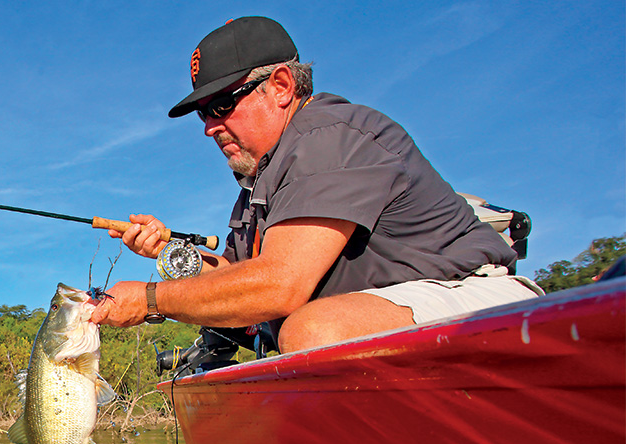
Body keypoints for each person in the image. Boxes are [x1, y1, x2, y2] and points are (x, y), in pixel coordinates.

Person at [90, 16, 543, 353]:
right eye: (203, 113)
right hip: (387, 313)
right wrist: (167, 254)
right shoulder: (257, 186)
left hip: (474, 301)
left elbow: (277, 287)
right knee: (293, 331)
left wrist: (150, 299)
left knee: (312, 331)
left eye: (222, 104)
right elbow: (237, 280)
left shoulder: (325, 136)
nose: (210, 127)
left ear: (282, 85)